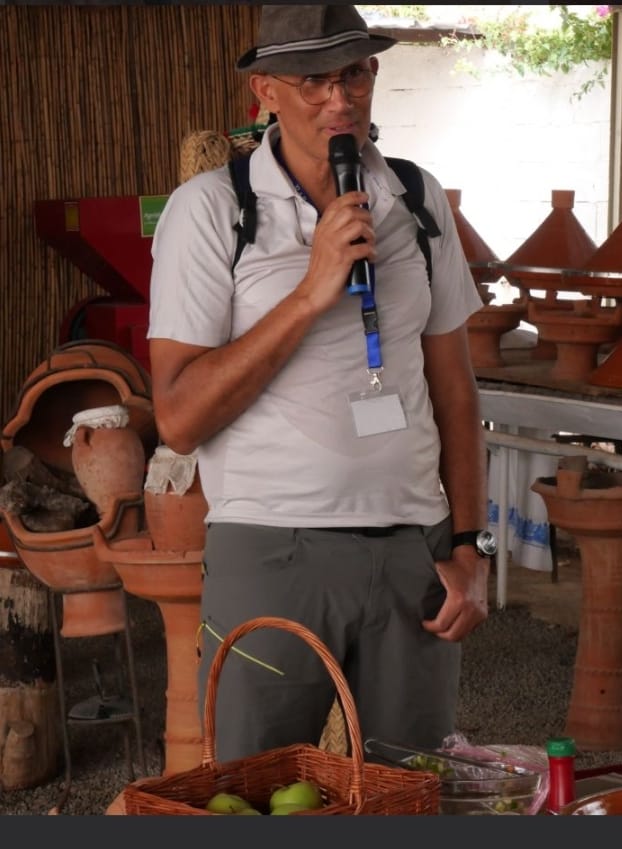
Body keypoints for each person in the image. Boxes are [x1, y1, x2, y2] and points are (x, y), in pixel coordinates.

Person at [148, 4, 494, 761]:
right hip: (273, 550)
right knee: (260, 791)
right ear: (266, 90)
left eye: (355, 75)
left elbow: (456, 391)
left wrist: (470, 545)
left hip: (415, 548)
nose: (339, 101)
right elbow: (177, 417)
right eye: (312, 81)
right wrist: (310, 291)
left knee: (409, 790)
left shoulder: (415, 197)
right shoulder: (213, 210)